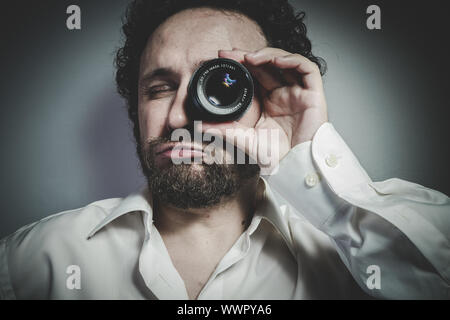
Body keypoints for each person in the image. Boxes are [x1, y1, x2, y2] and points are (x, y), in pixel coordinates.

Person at [0, 0, 448, 300]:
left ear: (271, 98)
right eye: (159, 89)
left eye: (219, 86)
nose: (179, 117)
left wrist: (309, 154)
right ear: (136, 108)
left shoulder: (353, 257)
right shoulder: (35, 260)